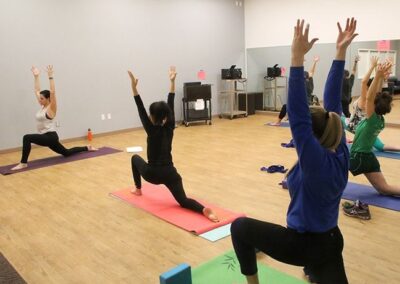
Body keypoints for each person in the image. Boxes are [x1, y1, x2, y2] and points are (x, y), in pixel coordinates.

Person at [231, 18, 358, 284]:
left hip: (302, 246)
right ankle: (314, 272)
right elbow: (333, 101)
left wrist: (296, 58)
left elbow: (298, 115)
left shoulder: (315, 162)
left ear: (310, 139)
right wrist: (340, 53)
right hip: (332, 242)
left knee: (239, 228)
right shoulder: (340, 148)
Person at [127, 67, 219, 222]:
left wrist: (134, 88)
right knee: (183, 200)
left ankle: (138, 189)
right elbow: (170, 103)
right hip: (171, 173)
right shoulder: (170, 128)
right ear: (167, 116)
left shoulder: (150, 129)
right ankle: (203, 210)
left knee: (134, 158)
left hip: (152, 174)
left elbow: (140, 108)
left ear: (153, 117)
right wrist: (172, 82)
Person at [11, 66, 96, 171]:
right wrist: (36, 76)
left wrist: (50, 77)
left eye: (42, 98)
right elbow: (37, 90)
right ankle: (87, 147)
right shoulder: (43, 107)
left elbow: (53, 92)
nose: (39, 100)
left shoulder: (51, 109)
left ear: (48, 99)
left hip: (50, 136)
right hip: (47, 137)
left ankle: (23, 163)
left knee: (26, 137)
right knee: (66, 153)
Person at [349, 61, 400, 196]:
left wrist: (377, 75)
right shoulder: (380, 120)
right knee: (385, 189)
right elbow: (375, 95)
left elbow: (371, 97)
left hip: (357, 157)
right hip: (368, 157)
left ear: (373, 106)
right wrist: (381, 77)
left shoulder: (371, 120)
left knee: (331, 166)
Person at [345, 56, 400, 152]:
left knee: (336, 118)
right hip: (366, 128)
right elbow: (378, 86)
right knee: (381, 146)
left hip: (354, 126)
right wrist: (381, 74)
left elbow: (363, 82)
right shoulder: (375, 100)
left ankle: (345, 139)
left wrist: (372, 66)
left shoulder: (366, 99)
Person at [268, 56, 319, 126]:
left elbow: (311, 72)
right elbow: (303, 71)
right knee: (285, 107)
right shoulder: (302, 81)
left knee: (291, 108)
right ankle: (279, 121)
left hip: (306, 102)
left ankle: (283, 120)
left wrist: (314, 62)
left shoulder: (307, 82)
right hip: (298, 101)